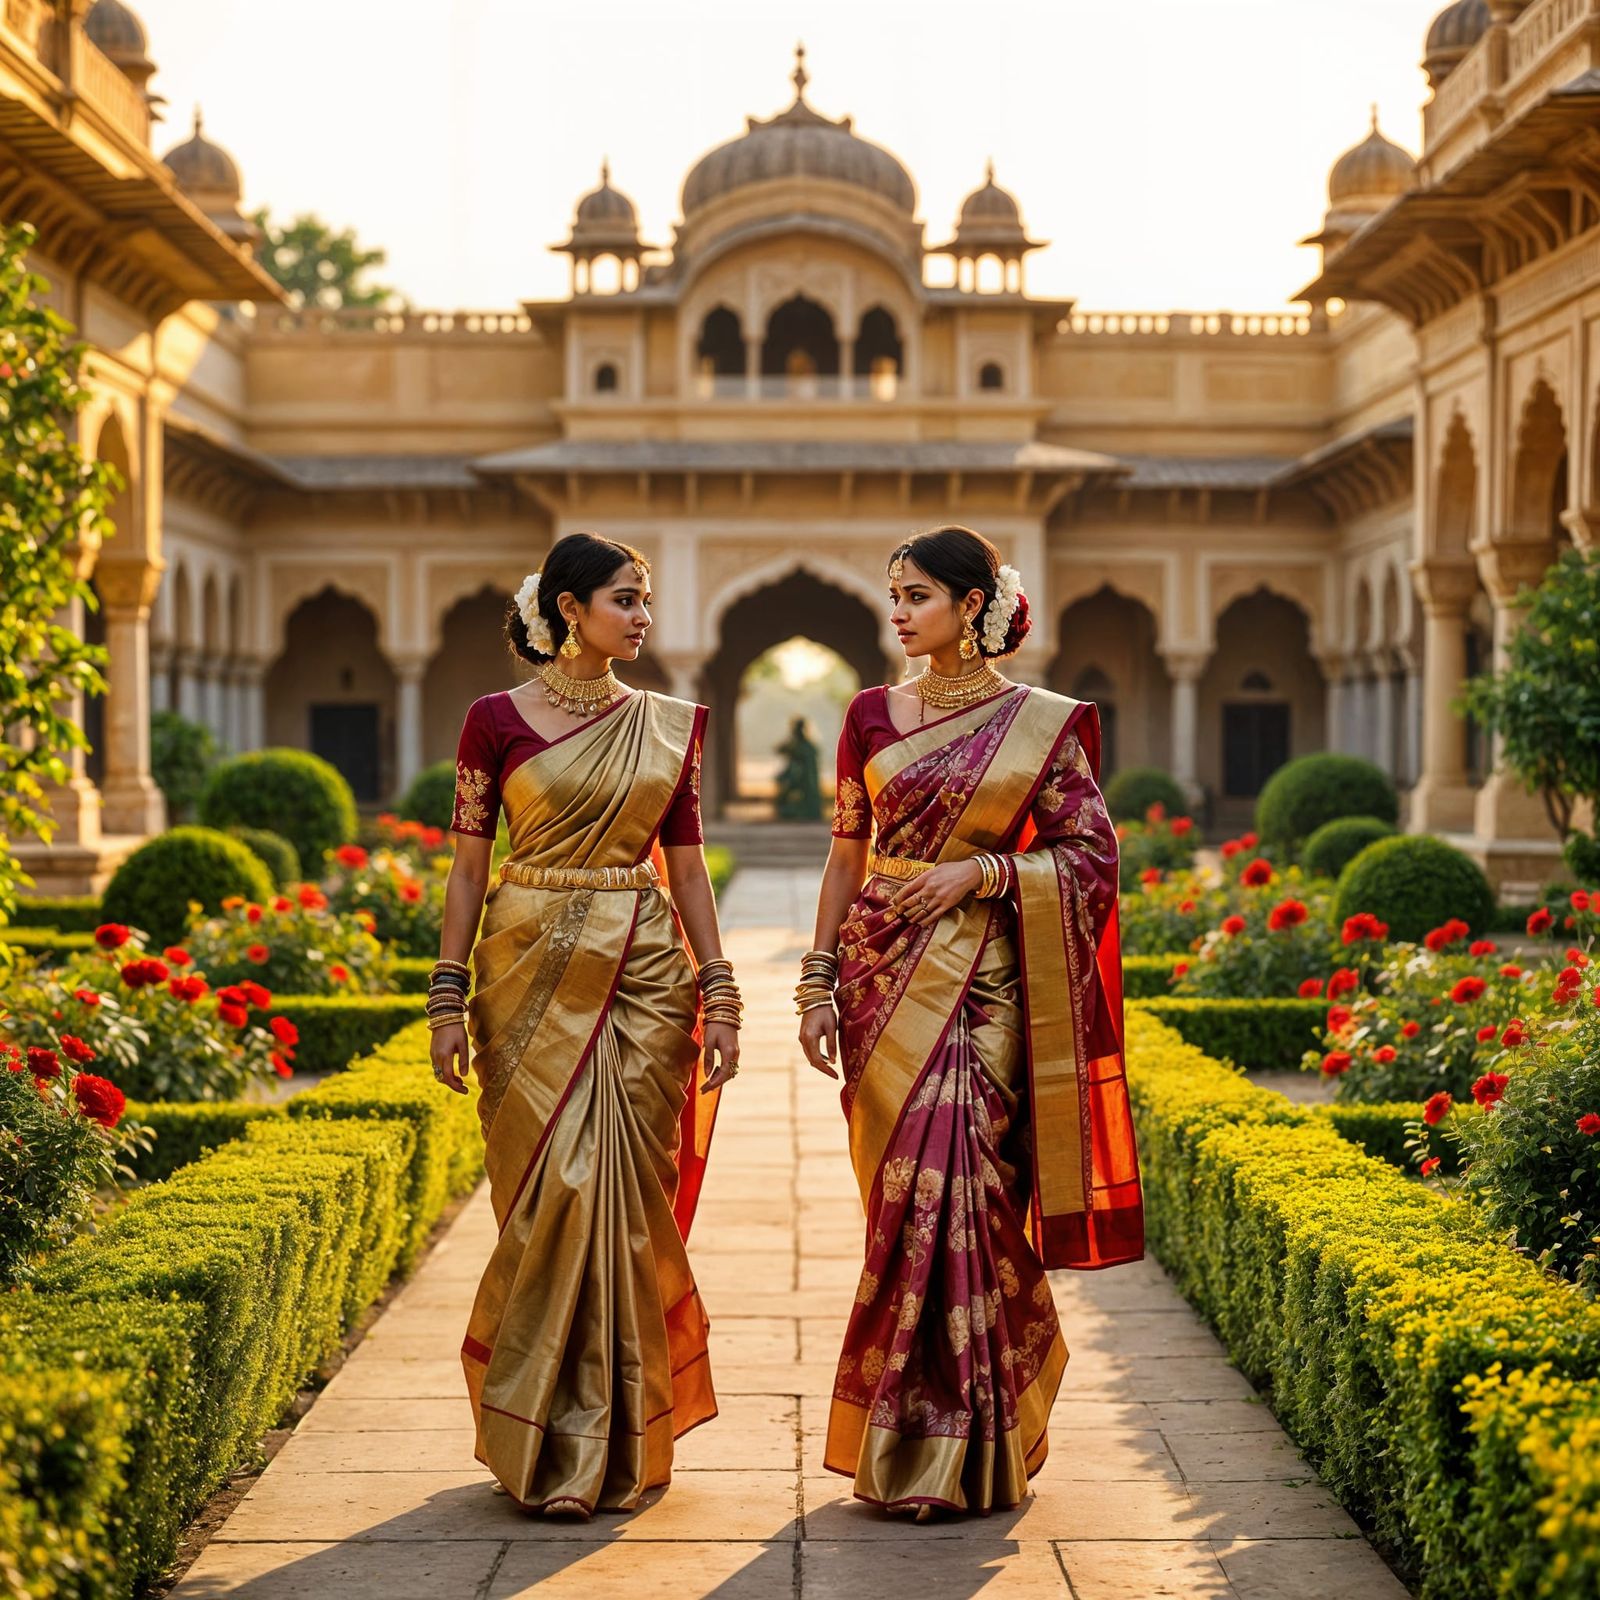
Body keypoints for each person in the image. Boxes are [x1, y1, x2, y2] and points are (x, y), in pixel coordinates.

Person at [796, 525, 1144, 1518]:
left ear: (972, 605)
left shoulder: (1043, 722)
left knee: (970, 1195)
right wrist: (817, 980)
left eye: (915, 596)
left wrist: (984, 870)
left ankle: (973, 1438)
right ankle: (903, 1440)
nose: (896, 612)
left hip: (984, 985)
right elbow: (843, 854)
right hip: (877, 977)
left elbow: (1088, 857)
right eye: (892, 594)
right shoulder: (869, 714)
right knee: (900, 1207)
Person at [429, 532, 742, 1519]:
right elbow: (470, 866)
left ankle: (620, 1433)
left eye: (645, 599)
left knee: (626, 1198)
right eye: (626, 598)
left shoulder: (668, 725)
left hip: (646, 972)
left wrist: (721, 988)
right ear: (569, 609)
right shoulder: (492, 722)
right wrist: (444, 996)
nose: (644, 615)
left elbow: (686, 866)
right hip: (524, 970)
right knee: (549, 1196)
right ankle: (543, 1430)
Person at [775, 716, 823, 821]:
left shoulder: (805, 745)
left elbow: (804, 758)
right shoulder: (797, 743)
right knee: (782, 781)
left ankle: (800, 811)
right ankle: (786, 809)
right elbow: (781, 749)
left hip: (804, 775)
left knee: (789, 785)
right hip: (796, 773)